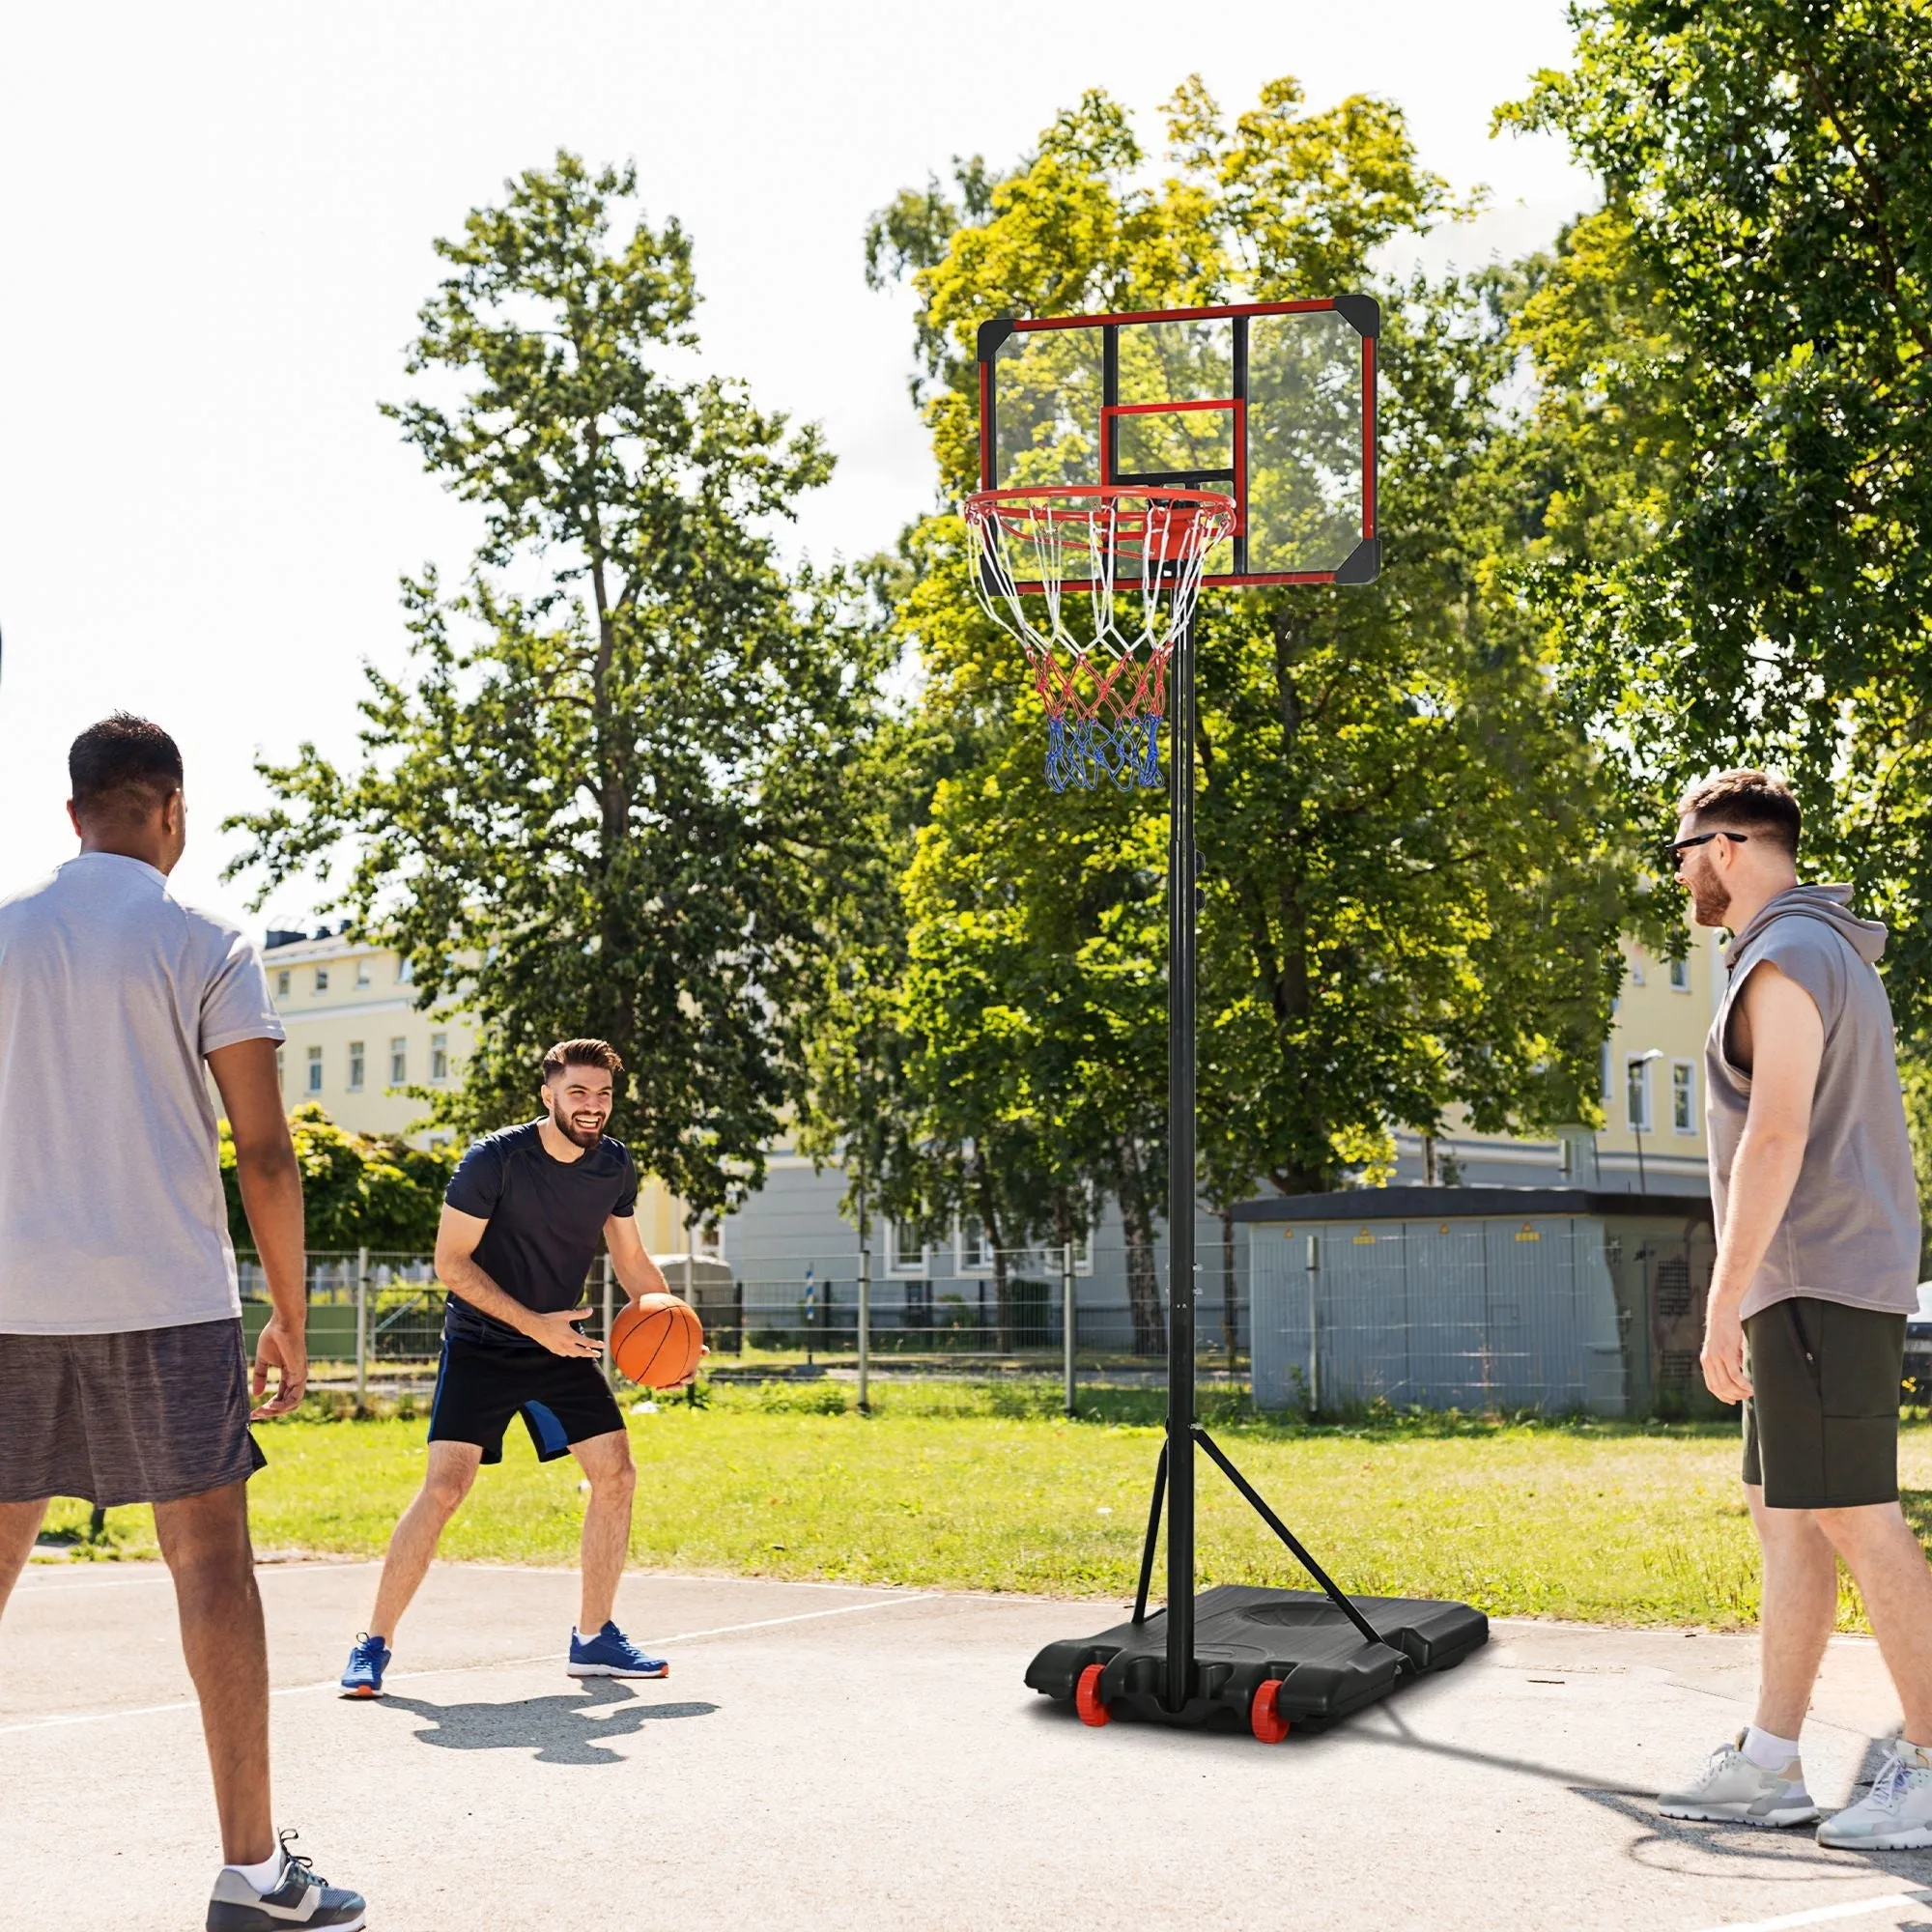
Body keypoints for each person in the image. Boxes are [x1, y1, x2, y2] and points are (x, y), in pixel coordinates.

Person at [0, 715, 365, 1931]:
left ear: (72, 814)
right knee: (210, 1562)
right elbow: (263, 1148)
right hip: (166, 1299)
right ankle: (253, 1875)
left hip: (8, 1300)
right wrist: (291, 1318)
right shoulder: (210, 939)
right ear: (170, 810)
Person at [1657, 770, 1932, 1849]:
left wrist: (1718, 1302)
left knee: (1857, 1517)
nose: (1675, 872)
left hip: (1812, 1273)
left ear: (1724, 846)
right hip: (1804, 1278)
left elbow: (1775, 1136)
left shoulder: (1785, 955)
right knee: (1790, 1520)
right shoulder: (1822, 950)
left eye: (1676, 852)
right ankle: (1770, 1759)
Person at [340, 1037, 684, 1696]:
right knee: (446, 1486)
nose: (592, 1106)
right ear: (548, 1094)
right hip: (482, 1342)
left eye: (603, 1094)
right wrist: (535, 1327)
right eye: (578, 1092)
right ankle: (373, 1643)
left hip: (560, 1344)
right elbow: (451, 1264)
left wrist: (674, 1326)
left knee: (616, 1473)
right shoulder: (493, 1160)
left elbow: (633, 1261)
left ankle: (594, 1639)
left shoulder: (612, 1166)